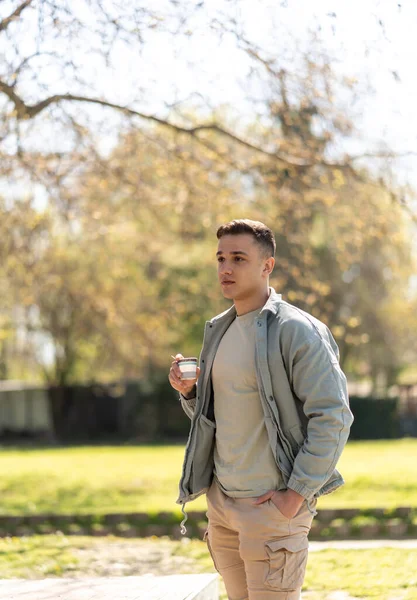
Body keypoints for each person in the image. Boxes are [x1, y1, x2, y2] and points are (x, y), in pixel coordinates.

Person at [168, 219, 354, 600]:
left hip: (272, 509)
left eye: (238, 258)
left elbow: (333, 417)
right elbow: (219, 419)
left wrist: (296, 495)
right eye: (220, 258)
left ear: (267, 265)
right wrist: (191, 394)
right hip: (223, 509)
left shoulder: (297, 331)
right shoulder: (219, 330)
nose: (226, 268)